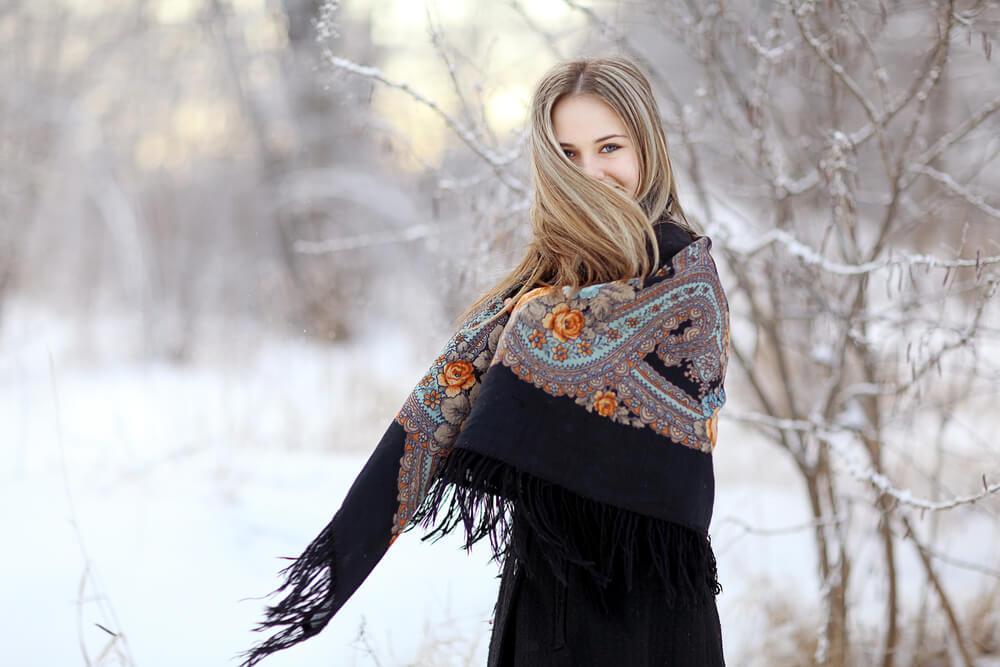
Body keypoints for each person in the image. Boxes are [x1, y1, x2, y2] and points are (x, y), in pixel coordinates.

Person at [240, 55, 728, 667]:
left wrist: (537, 328)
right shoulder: (543, 275)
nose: (593, 172)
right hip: (544, 591)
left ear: (646, 149)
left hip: (649, 605)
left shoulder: (687, 276)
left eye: (609, 147)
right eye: (568, 154)